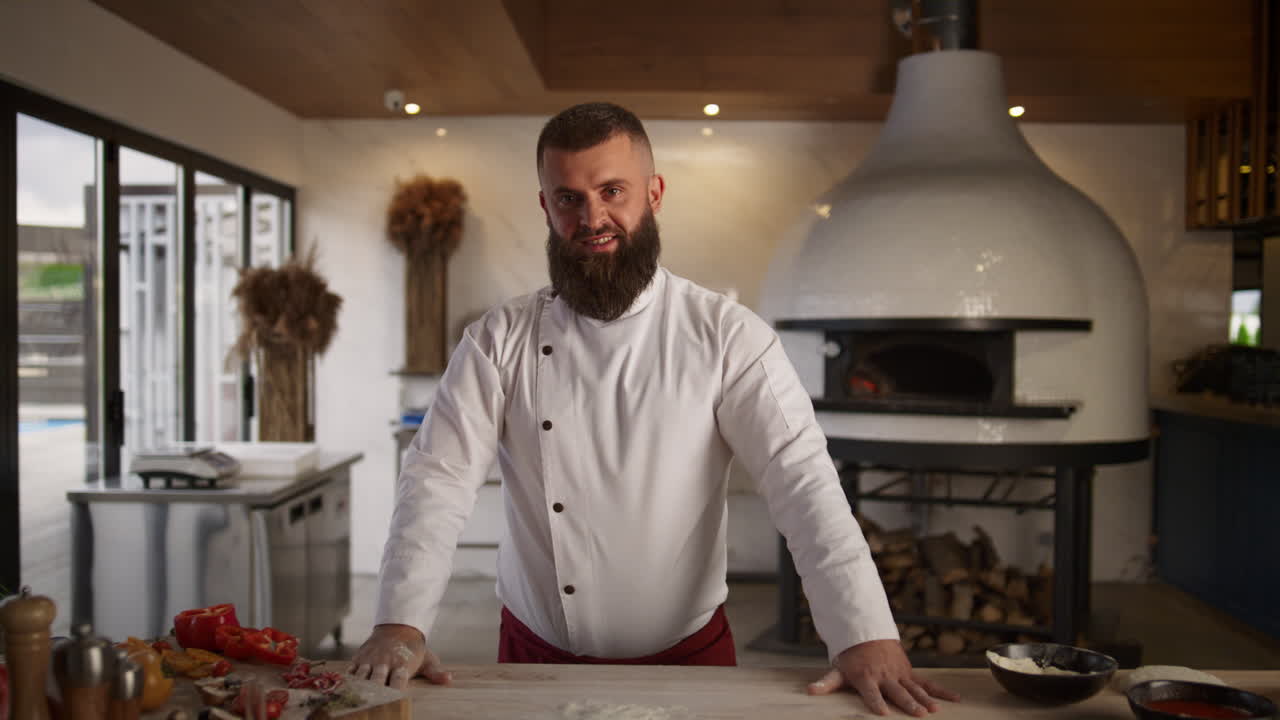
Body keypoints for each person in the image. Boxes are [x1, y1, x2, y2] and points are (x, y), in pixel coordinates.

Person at [348, 102, 958, 716]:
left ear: (654, 192)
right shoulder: (497, 338)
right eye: (568, 198)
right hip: (535, 656)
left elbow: (803, 484)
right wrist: (401, 622)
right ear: (545, 207)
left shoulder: (727, 336)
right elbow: (437, 481)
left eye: (612, 190)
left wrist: (864, 635)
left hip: (686, 660)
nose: (592, 218)